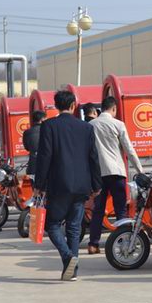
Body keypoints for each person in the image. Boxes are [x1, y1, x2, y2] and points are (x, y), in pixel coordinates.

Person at [34, 90, 102, 281]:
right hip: (81, 185)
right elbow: (93, 157)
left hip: (59, 184)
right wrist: (97, 185)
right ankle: (72, 271)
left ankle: (67, 256)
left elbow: (44, 157)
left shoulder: (49, 126)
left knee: (52, 225)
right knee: (74, 228)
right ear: (73, 106)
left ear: (56, 106)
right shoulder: (86, 128)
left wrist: (39, 184)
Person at [87, 96, 144, 254]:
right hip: (117, 172)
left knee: (98, 209)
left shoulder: (91, 125)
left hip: (98, 174)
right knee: (121, 210)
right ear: (114, 109)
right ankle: (124, 241)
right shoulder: (118, 124)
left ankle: (93, 244)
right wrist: (140, 170)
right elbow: (129, 149)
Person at [22, 110, 46, 176]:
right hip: (47, 165)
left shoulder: (27, 132)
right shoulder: (48, 130)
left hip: (33, 165)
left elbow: (27, 148)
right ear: (42, 119)